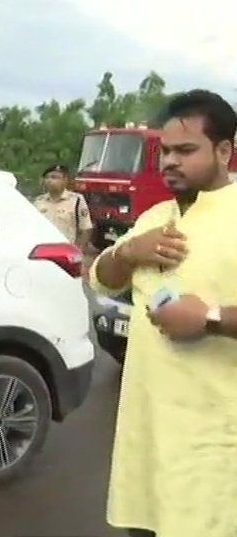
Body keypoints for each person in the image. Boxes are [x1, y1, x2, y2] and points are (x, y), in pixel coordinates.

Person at [90, 89, 237, 537]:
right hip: (146, 439)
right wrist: (131, 250)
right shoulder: (154, 215)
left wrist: (210, 318)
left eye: (186, 150)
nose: (170, 161)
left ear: (226, 151)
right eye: (166, 151)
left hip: (213, 447)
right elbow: (102, 276)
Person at [33, 164, 93, 250]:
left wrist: (79, 250)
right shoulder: (38, 201)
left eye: (54, 177)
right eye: (47, 177)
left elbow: (86, 228)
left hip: (64, 251)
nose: (49, 180)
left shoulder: (76, 200)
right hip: (42, 250)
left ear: (65, 180)